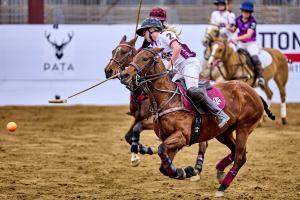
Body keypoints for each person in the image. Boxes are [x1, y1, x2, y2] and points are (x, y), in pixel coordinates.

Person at [136, 18, 230, 128]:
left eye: (144, 32)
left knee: (192, 90)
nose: (143, 35)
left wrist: (169, 65)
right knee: (168, 89)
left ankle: (219, 114)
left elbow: (177, 47)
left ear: (152, 30)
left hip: (189, 63)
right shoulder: (154, 45)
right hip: (178, 69)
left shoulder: (165, 34)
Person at [231, 1, 265, 87]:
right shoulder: (238, 19)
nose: (245, 13)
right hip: (241, 44)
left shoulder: (252, 21)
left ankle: (260, 77)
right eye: (244, 11)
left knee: (254, 58)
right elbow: (233, 29)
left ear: (250, 13)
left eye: (247, 12)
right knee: (230, 55)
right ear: (241, 11)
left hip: (251, 43)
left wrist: (236, 38)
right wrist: (229, 27)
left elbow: (248, 35)